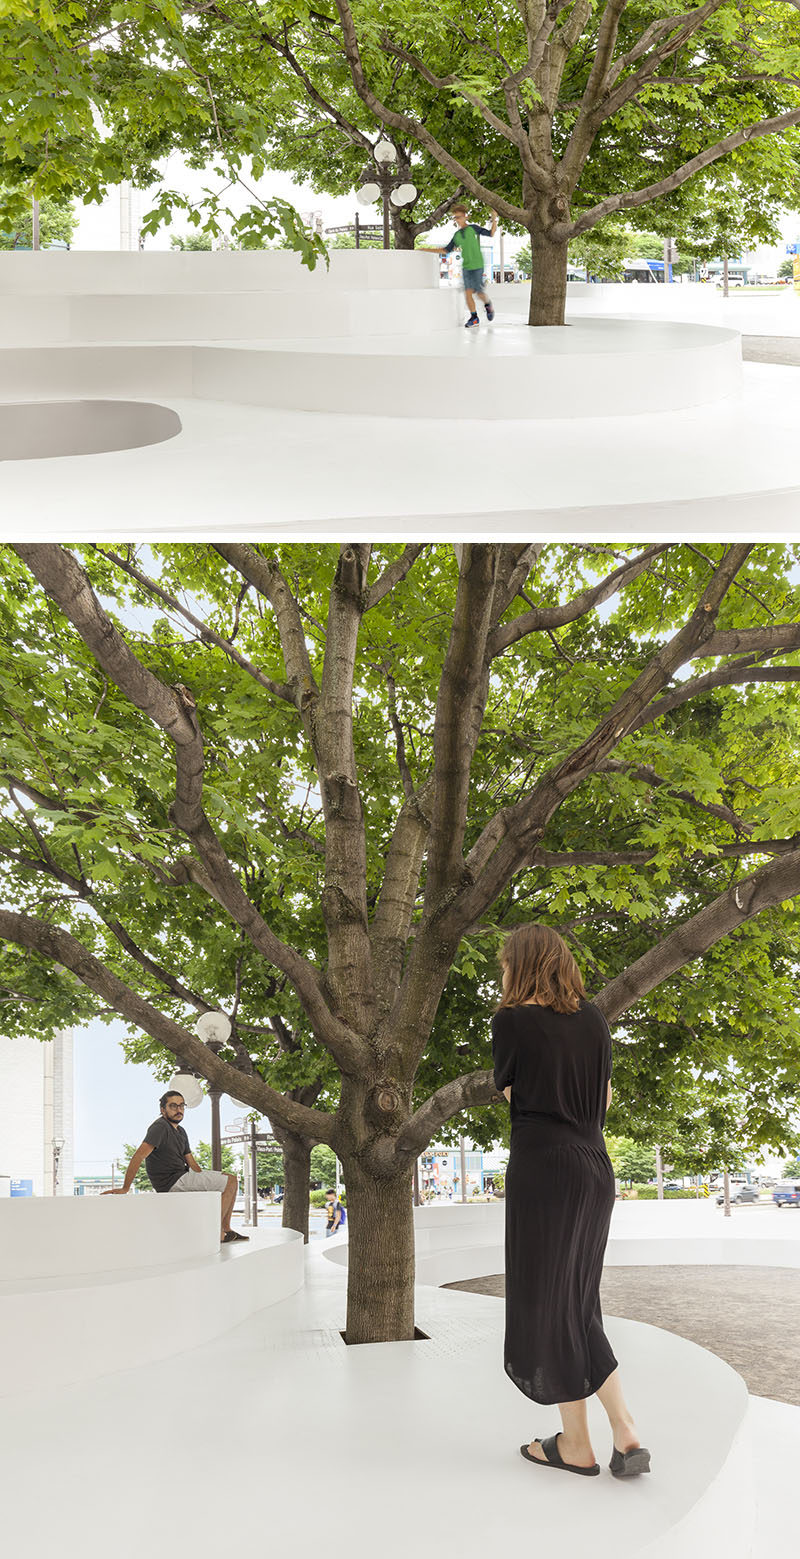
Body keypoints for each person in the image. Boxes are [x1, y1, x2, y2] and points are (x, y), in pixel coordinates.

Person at [492, 924, 650, 1480]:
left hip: (544, 1171)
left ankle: (578, 1445)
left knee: (548, 1301)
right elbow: (604, 1095)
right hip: (594, 1168)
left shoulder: (509, 1022)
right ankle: (622, 1433)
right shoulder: (594, 1019)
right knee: (578, 1301)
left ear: (523, 965)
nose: (502, 972)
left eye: (506, 962)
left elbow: (515, 1093)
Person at [104, 1090, 248, 1245]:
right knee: (230, 1181)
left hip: (182, 1176)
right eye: (173, 1106)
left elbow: (191, 1162)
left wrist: (209, 1176)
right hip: (171, 1181)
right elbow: (138, 1156)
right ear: (162, 1109)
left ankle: (226, 1229)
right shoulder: (160, 1127)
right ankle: (214, 1231)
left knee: (230, 1180)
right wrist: (125, 1188)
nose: (179, 1110)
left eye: (181, 1106)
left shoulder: (181, 1131)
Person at [426, 205, 498, 328]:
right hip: (466, 267)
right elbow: (446, 250)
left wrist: (494, 219)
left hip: (477, 264)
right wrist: (426, 250)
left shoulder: (473, 228)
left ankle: (488, 304)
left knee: (479, 293)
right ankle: (474, 318)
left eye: (459, 217)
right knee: (468, 292)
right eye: (456, 217)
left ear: (465, 216)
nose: (457, 219)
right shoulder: (457, 235)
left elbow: (491, 233)